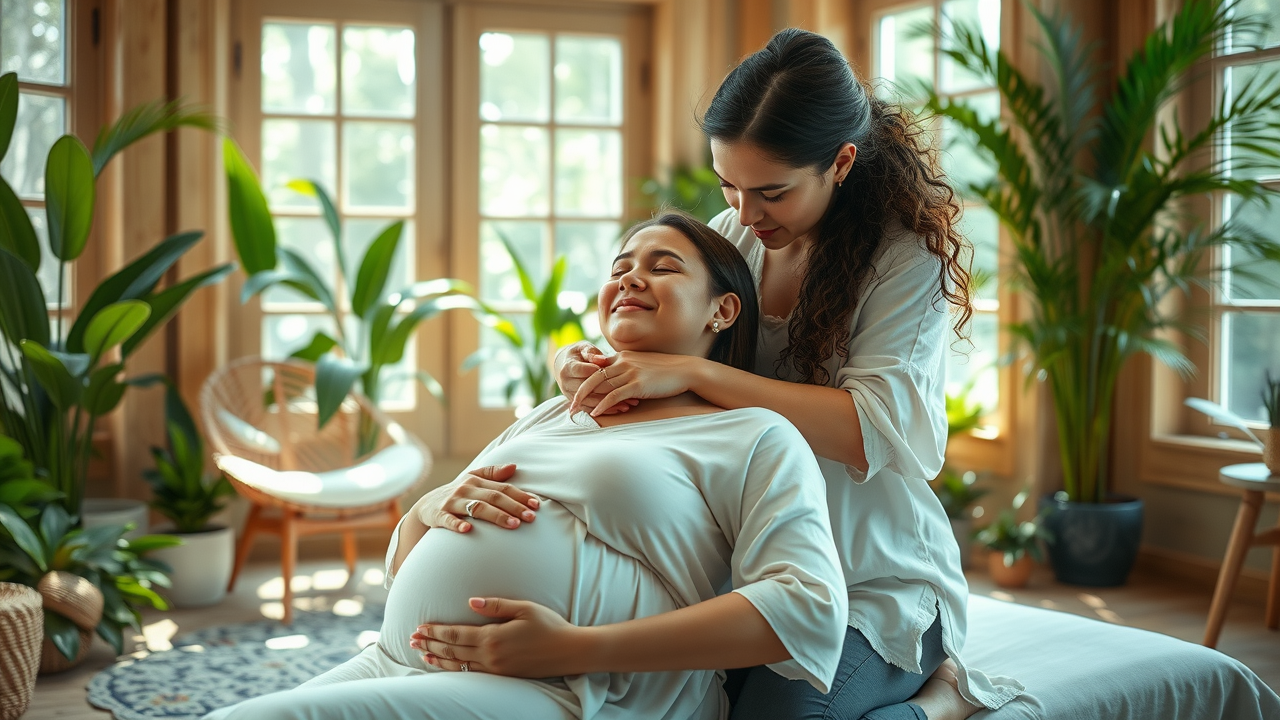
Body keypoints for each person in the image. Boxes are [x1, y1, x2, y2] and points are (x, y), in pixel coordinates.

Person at [410, 28, 1024, 720]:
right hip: (747, 566)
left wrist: (684, 375)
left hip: (871, 578)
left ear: (842, 162)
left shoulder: (903, 259)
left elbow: (873, 432)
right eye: (728, 184)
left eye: (770, 191)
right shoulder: (737, 233)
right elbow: (667, 335)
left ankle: (944, 701)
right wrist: (577, 359)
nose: (743, 211)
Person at [201, 211, 849, 720]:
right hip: (400, 660)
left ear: (722, 309)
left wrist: (577, 649)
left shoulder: (751, 433)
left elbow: (808, 604)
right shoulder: (551, 414)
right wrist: (430, 506)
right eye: (620, 265)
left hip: (586, 694)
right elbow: (405, 562)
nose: (629, 277)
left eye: (662, 266)